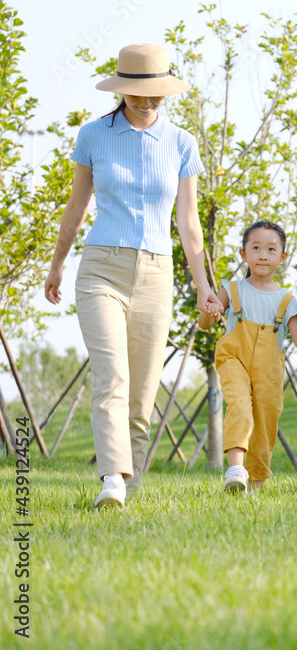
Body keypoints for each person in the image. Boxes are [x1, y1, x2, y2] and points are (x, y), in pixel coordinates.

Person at [44, 43, 222, 509]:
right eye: (137, 95)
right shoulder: (93, 136)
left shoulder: (181, 142)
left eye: (155, 97)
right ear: (121, 90)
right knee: (111, 378)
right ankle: (112, 480)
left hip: (157, 274)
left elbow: (188, 223)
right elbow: (76, 208)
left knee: (142, 396)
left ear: (166, 93)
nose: (145, 104)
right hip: (101, 267)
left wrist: (203, 286)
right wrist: (58, 263)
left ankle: (131, 487)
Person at [197, 221, 297, 493]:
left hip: (269, 370)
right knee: (239, 405)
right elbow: (205, 324)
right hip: (234, 358)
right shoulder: (233, 289)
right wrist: (210, 310)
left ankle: (255, 486)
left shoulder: (287, 300)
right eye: (256, 247)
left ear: (282, 257)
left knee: (265, 422)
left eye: (271, 249)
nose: (263, 254)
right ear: (243, 254)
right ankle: (236, 469)